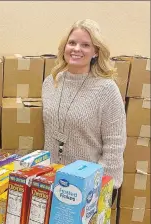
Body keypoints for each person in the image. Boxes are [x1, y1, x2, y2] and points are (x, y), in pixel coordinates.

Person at [42, 19, 126, 202]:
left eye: (85, 45)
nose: (76, 49)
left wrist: (104, 186)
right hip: (52, 181)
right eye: (72, 43)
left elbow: (114, 144)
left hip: (87, 188)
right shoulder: (51, 82)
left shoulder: (106, 90)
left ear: (96, 52)